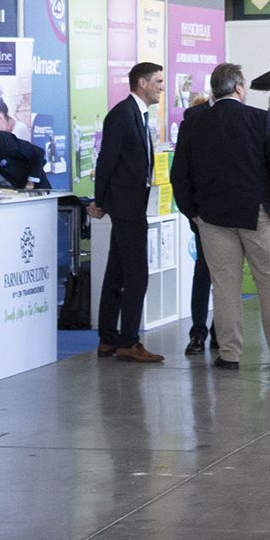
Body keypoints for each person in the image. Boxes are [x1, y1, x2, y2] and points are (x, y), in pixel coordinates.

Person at [167, 62, 270, 369]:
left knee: (224, 287)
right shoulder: (259, 119)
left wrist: (193, 214)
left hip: (212, 218)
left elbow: (179, 176)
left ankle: (229, 354)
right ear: (239, 87)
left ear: (214, 89)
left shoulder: (194, 124)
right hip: (259, 214)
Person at [91, 63, 167, 362]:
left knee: (117, 271)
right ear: (142, 83)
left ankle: (109, 339)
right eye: (158, 81)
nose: (162, 86)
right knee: (136, 274)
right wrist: (100, 202)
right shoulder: (123, 114)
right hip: (126, 206)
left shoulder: (138, 114)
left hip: (131, 204)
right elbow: (107, 160)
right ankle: (128, 341)